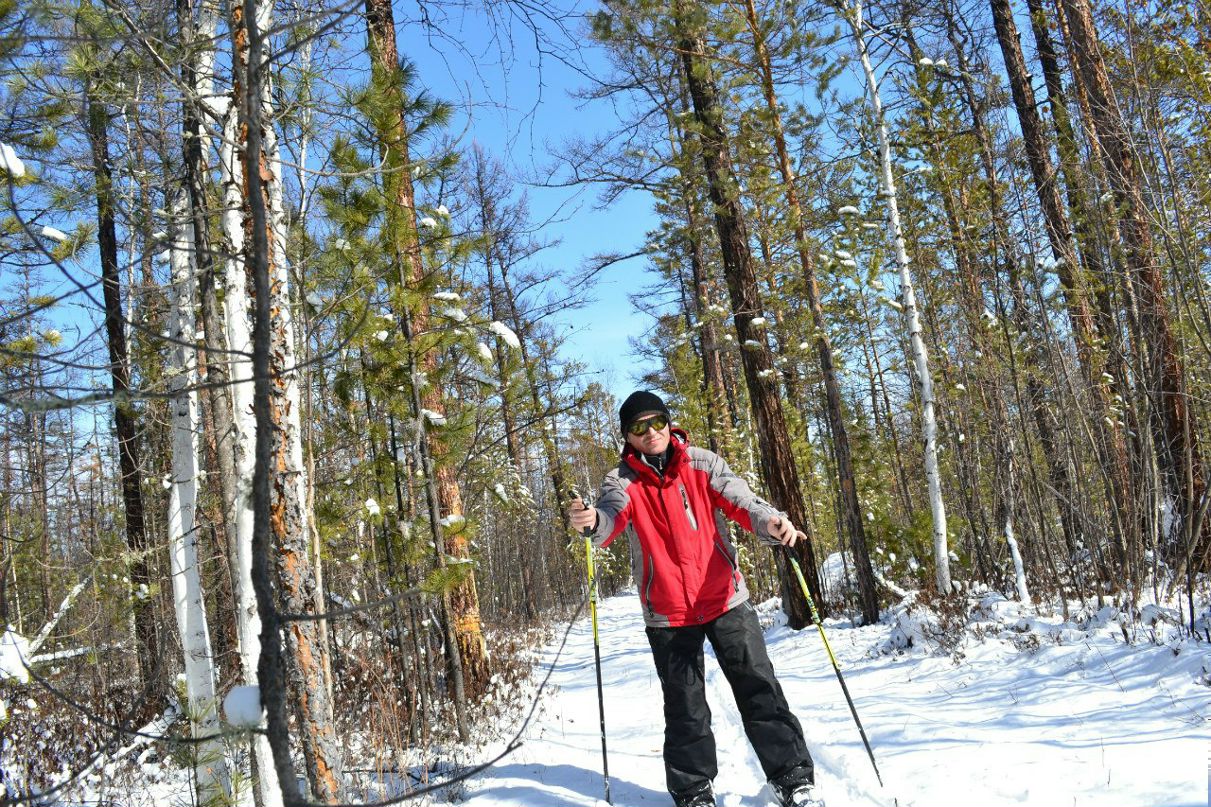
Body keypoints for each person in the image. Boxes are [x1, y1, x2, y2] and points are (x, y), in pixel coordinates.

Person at [567, 390, 822, 807]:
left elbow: (741, 500)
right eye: (638, 426)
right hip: (668, 611)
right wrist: (592, 521)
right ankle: (693, 791)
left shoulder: (701, 463)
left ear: (669, 424)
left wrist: (772, 522)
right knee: (686, 708)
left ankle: (793, 779)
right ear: (627, 437)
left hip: (724, 598)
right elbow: (610, 519)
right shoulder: (620, 482)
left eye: (657, 422)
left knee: (760, 689)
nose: (650, 432)